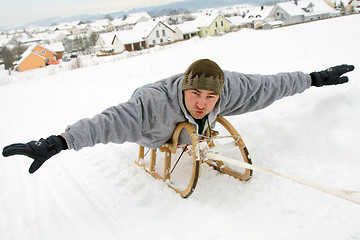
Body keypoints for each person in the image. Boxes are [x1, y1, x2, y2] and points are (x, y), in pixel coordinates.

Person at [2, 59, 355, 174]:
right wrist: (57, 142)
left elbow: (269, 86)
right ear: (184, 88)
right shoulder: (151, 107)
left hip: (183, 113)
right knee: (153, 125)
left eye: (209, 97)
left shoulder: (228, 88)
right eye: (195, 94)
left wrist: (313, 79)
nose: (202, 103)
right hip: (155, 119)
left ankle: (196, 135)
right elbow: (105, 122)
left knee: (204, 120)